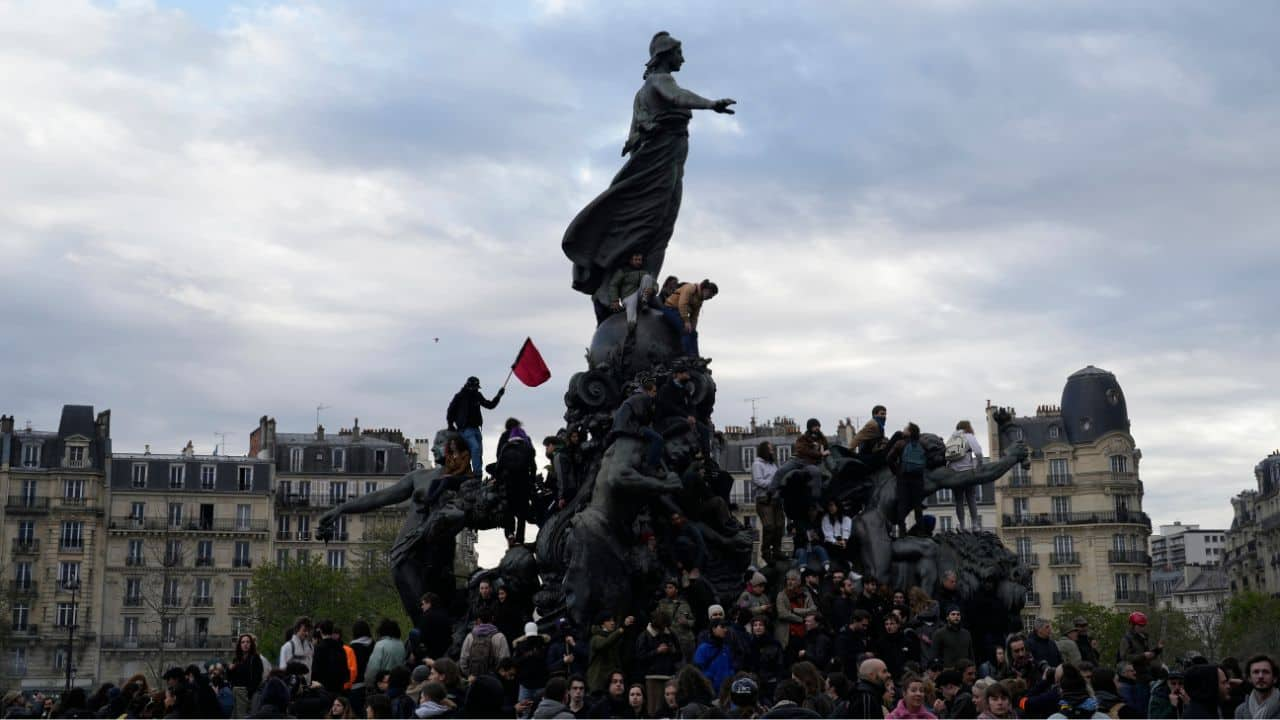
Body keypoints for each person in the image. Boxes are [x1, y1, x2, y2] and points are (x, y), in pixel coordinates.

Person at [446, 376, 504, 477]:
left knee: (479, 451)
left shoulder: (477, 395)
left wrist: (498, 396)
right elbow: (451, 411)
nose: (476, 389)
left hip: (476, 429)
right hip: (465, 429)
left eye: (477, 387)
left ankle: (477, 473)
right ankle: (477, 473)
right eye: (475, 387)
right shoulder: (459, 396)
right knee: (475, 448)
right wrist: (451, 425)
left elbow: (489, 405)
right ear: (469, 386)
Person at [612, 380, 665, 475]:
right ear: (648, 391)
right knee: (658, 439)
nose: (655, 394)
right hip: (630, 427)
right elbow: (641, 415)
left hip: (622, 426)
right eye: (654, 391)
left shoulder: (635, 397)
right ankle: (650, 467)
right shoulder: (643, 397)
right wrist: (651, 413)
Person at [660, 279, 718, 357]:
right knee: (686, 330)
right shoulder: (690, 288)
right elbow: (682, 304)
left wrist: (693, 328)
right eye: (711, 294)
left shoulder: (700, 299)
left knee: (693, 333)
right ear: (706, 290)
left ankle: (695, 358)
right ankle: (686, 356)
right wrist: (686, 321)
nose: (711, 297)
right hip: (670, 309)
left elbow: (694, 316)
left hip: (680, 313)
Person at [945, 420, 985, 530]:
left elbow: (946, 454)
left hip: (954, 473)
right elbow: (978, 452)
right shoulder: (968, 436)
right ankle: (975, 524)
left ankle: (962, 525)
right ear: (968, 427)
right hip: (967, 471)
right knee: (971, 497)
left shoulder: (952, 438)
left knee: (958, 500)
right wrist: (979, 465)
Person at [1120, 611, 1162, 714]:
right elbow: (1125, 657)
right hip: (1136, 677)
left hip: (1147, 675)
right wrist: (1143, 656)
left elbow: (1148, 656)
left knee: (1148, 705)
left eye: (1144, 625)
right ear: (1133, 625)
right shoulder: (1127, 639)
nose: (1142, 628)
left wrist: (1156, 651)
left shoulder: (1144, 637)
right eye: (1140, 626)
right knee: (1141, 707)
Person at [606, 252, 658, 329]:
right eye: (636, 259)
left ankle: (644, 302)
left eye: (640, 260)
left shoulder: (645, 271)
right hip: (628, 295)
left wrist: (653, 290)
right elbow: (614, 285)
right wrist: (614, 300)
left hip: (641, 295)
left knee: (647, 277)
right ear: (630, 260)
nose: (638, 262)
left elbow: (655, 284)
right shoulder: (623, 271)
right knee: (631, 312)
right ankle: (631, 329)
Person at [752, 441, 783, 563]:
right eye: (770, 449)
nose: (772, 451)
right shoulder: (757, 464)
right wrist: (774, 484)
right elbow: (758, 481)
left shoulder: (773, 465)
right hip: (764, 499)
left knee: (780, 526)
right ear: (765, 450)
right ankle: (765, 552)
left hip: (776, 498)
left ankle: (777, 551)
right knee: (769, 526)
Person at [895, 423, 927, 537]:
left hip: (903, 478)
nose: (903, 430)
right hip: (918, 478)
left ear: (909, 432)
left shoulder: (900, 444)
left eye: (905, 429)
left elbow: (889, 458)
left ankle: (902, 532)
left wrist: (897, 471)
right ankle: (921, 531)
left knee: (902, 505)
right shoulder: (922, 444)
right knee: (918, 506)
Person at [459, 610, 510, 680]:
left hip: (474, 679)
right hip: (493, 680)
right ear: (492, 618)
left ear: (478, 620)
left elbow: (463, 660)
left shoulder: (470, 636)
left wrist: (469, 675)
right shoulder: (499, 637)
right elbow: (505, 659)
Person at [589, 613, 630, 694]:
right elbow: (605, 643)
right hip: (598, 683)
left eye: (613, 620)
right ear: (602, 624)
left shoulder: (614, 637)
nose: (612, 623)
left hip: (612, 681)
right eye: (609, 620)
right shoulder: (596, 638)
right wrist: (621, 629)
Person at [363, 619, 406, 688]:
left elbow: (373, 668)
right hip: (399, 684)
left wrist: (369, 684)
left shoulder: (380, 645)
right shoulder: (401, 644)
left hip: (383, 685)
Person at [1235, 655, 1279, 719]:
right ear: (1249, 678)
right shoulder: (1240, 711)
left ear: (1275, 678)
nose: (1260, 676)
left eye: (1266, 672)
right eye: (1256, 672)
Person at [933, 606, 974, 671]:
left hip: (964, 671)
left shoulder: (966, 633)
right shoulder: (939, 634)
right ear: (947, 617)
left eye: (958, 614)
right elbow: (935, 655)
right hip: (947, 671)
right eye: (953, 614)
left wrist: (973, 667)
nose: (956, 616)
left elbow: (971, 655)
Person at [279, 616, 315, 682]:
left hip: (308, 686)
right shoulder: (287, 647)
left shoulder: (310, 647)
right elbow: (282, 670)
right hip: (292, 687)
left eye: (308, 631)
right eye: (304, 630)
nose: (306, 633)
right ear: (297, 630)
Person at [820, 499, 853, 564]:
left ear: (837, 506)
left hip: (843, 540)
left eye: (832, 505)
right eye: (829, 506)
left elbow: (846, 531)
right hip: (831, 542)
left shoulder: (845, 518)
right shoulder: (826, 518)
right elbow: (828, 534)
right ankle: (844, 563)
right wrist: (835, 542)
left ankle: (848, 562)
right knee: (833, 547)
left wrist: (844, 540)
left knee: (853, 542)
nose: (830, 508)